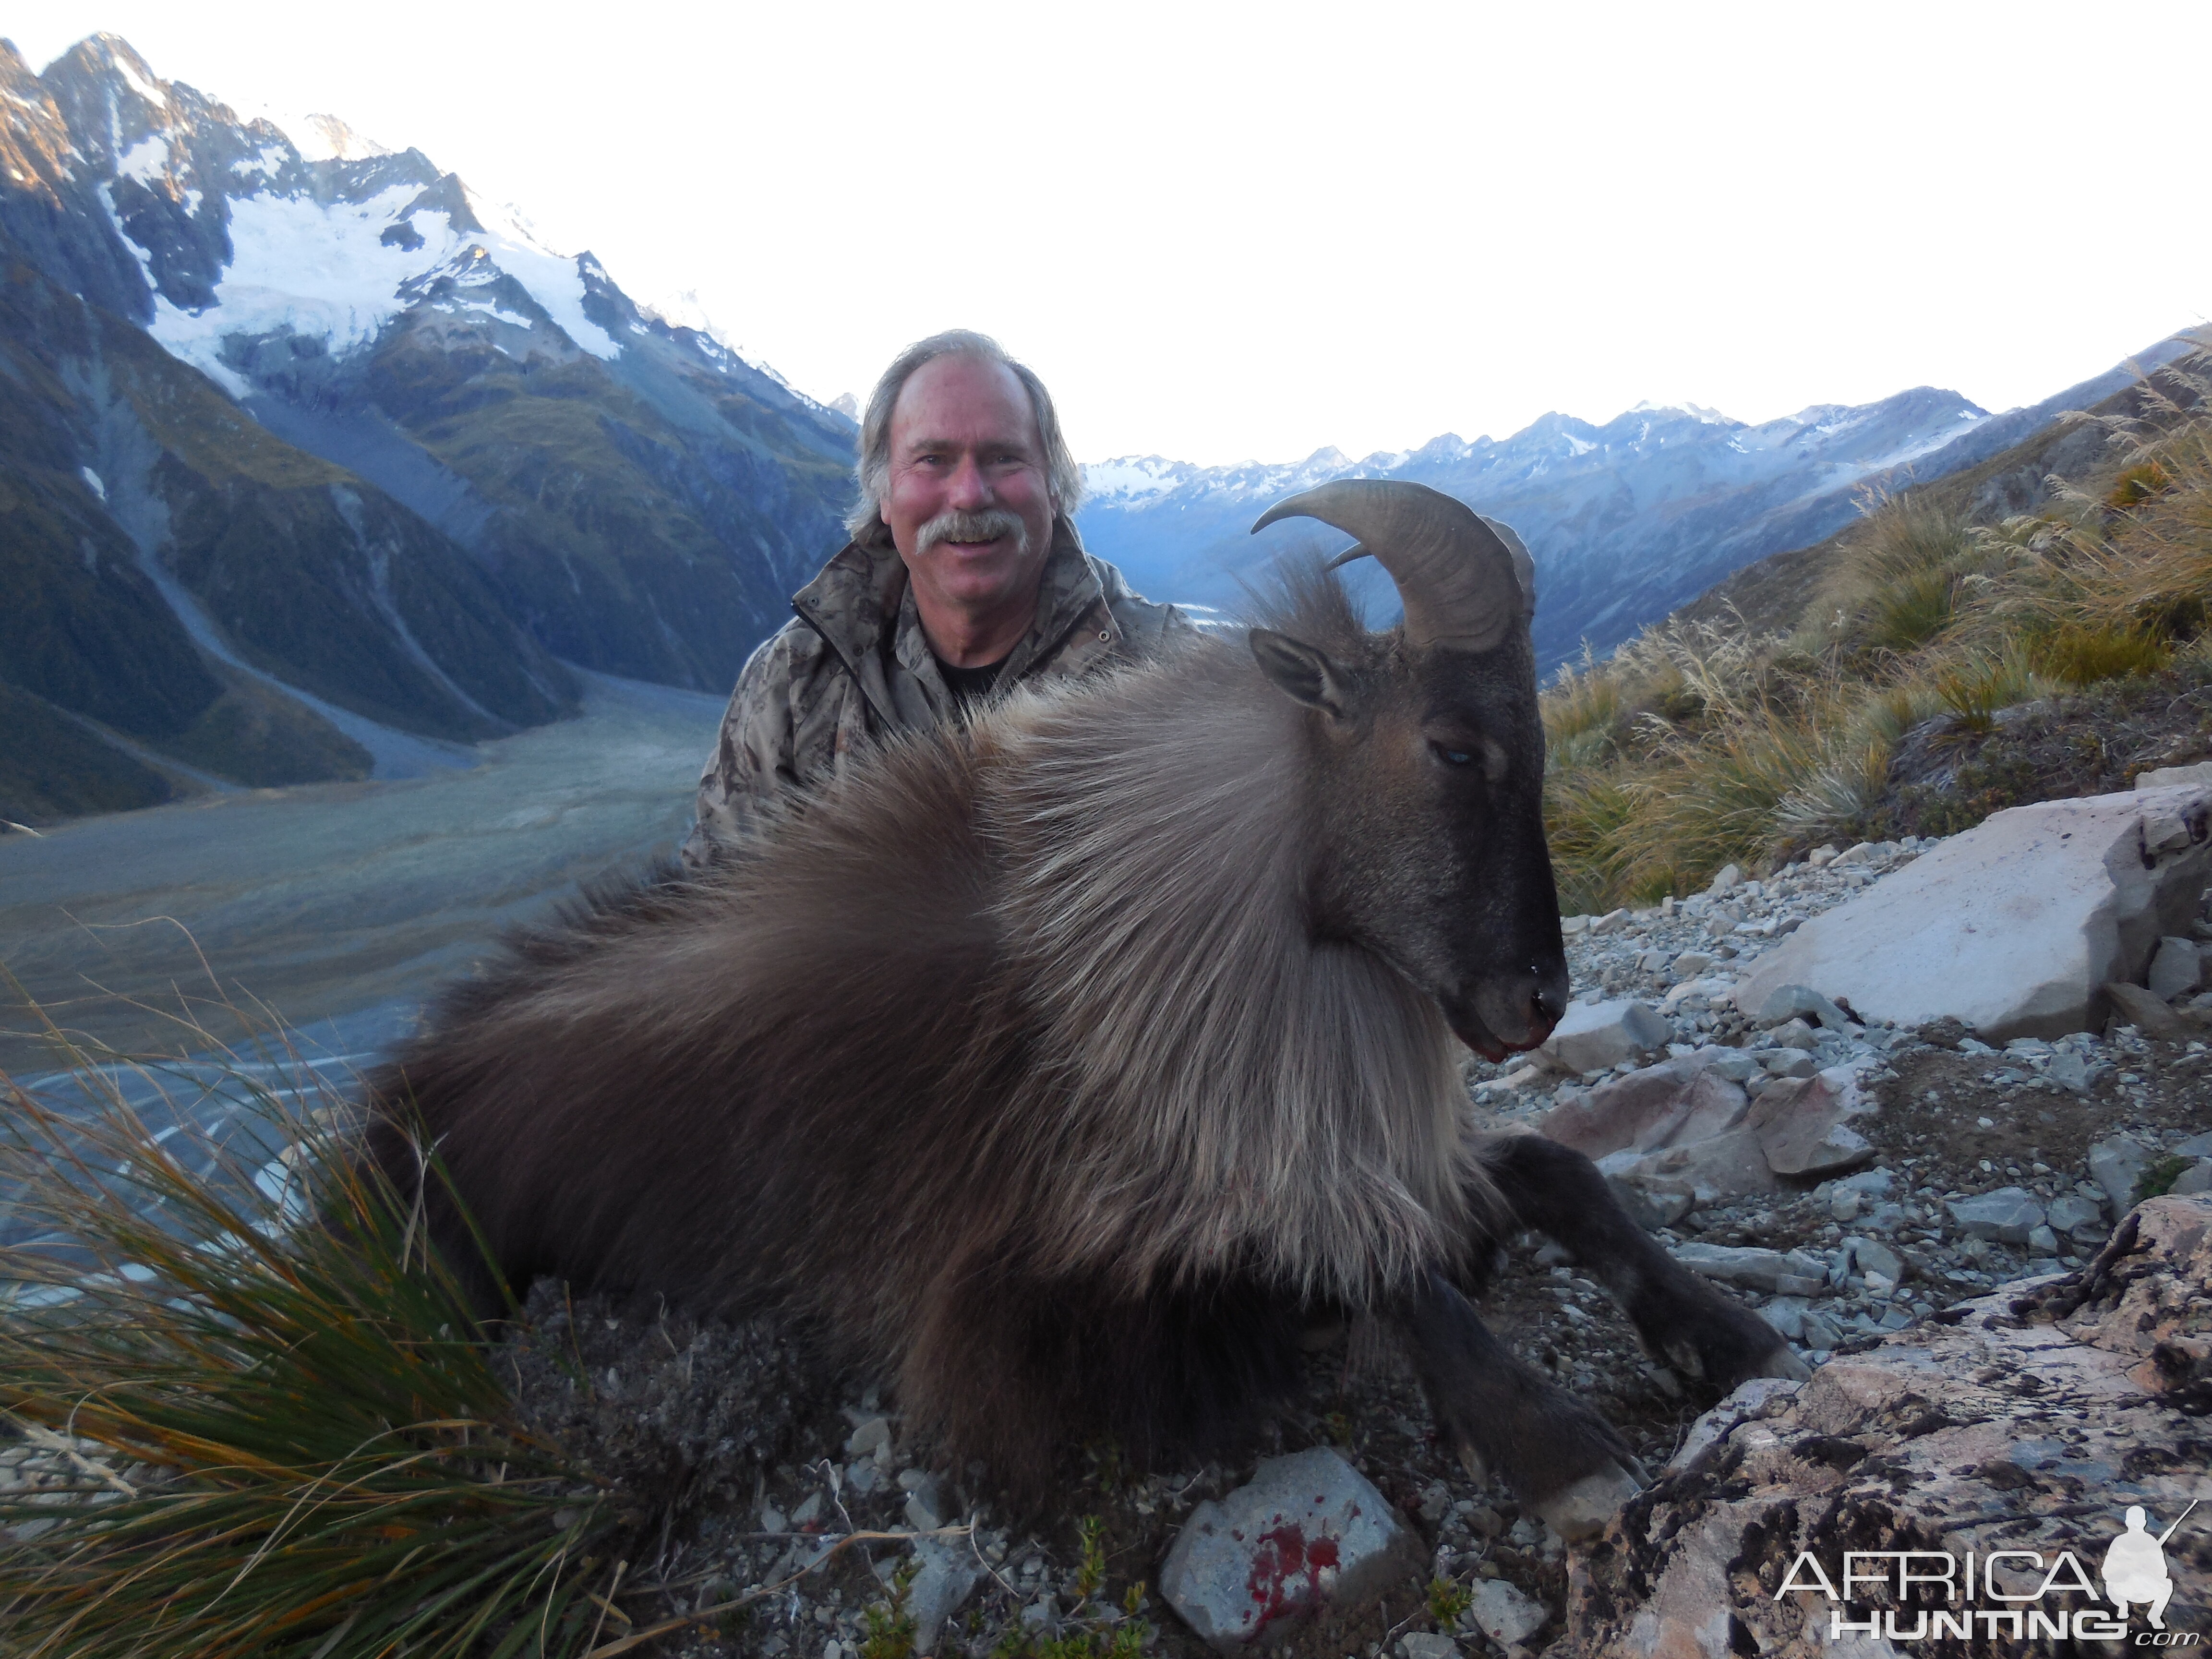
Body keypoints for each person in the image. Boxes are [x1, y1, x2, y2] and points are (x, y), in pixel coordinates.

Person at [681, 330, 1187, 869]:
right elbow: (713, 914)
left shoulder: (1171, 675)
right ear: (884, 493)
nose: (970, 495)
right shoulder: (791, 680)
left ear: (1055, 488)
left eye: (1004, 458)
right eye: (932, 460)